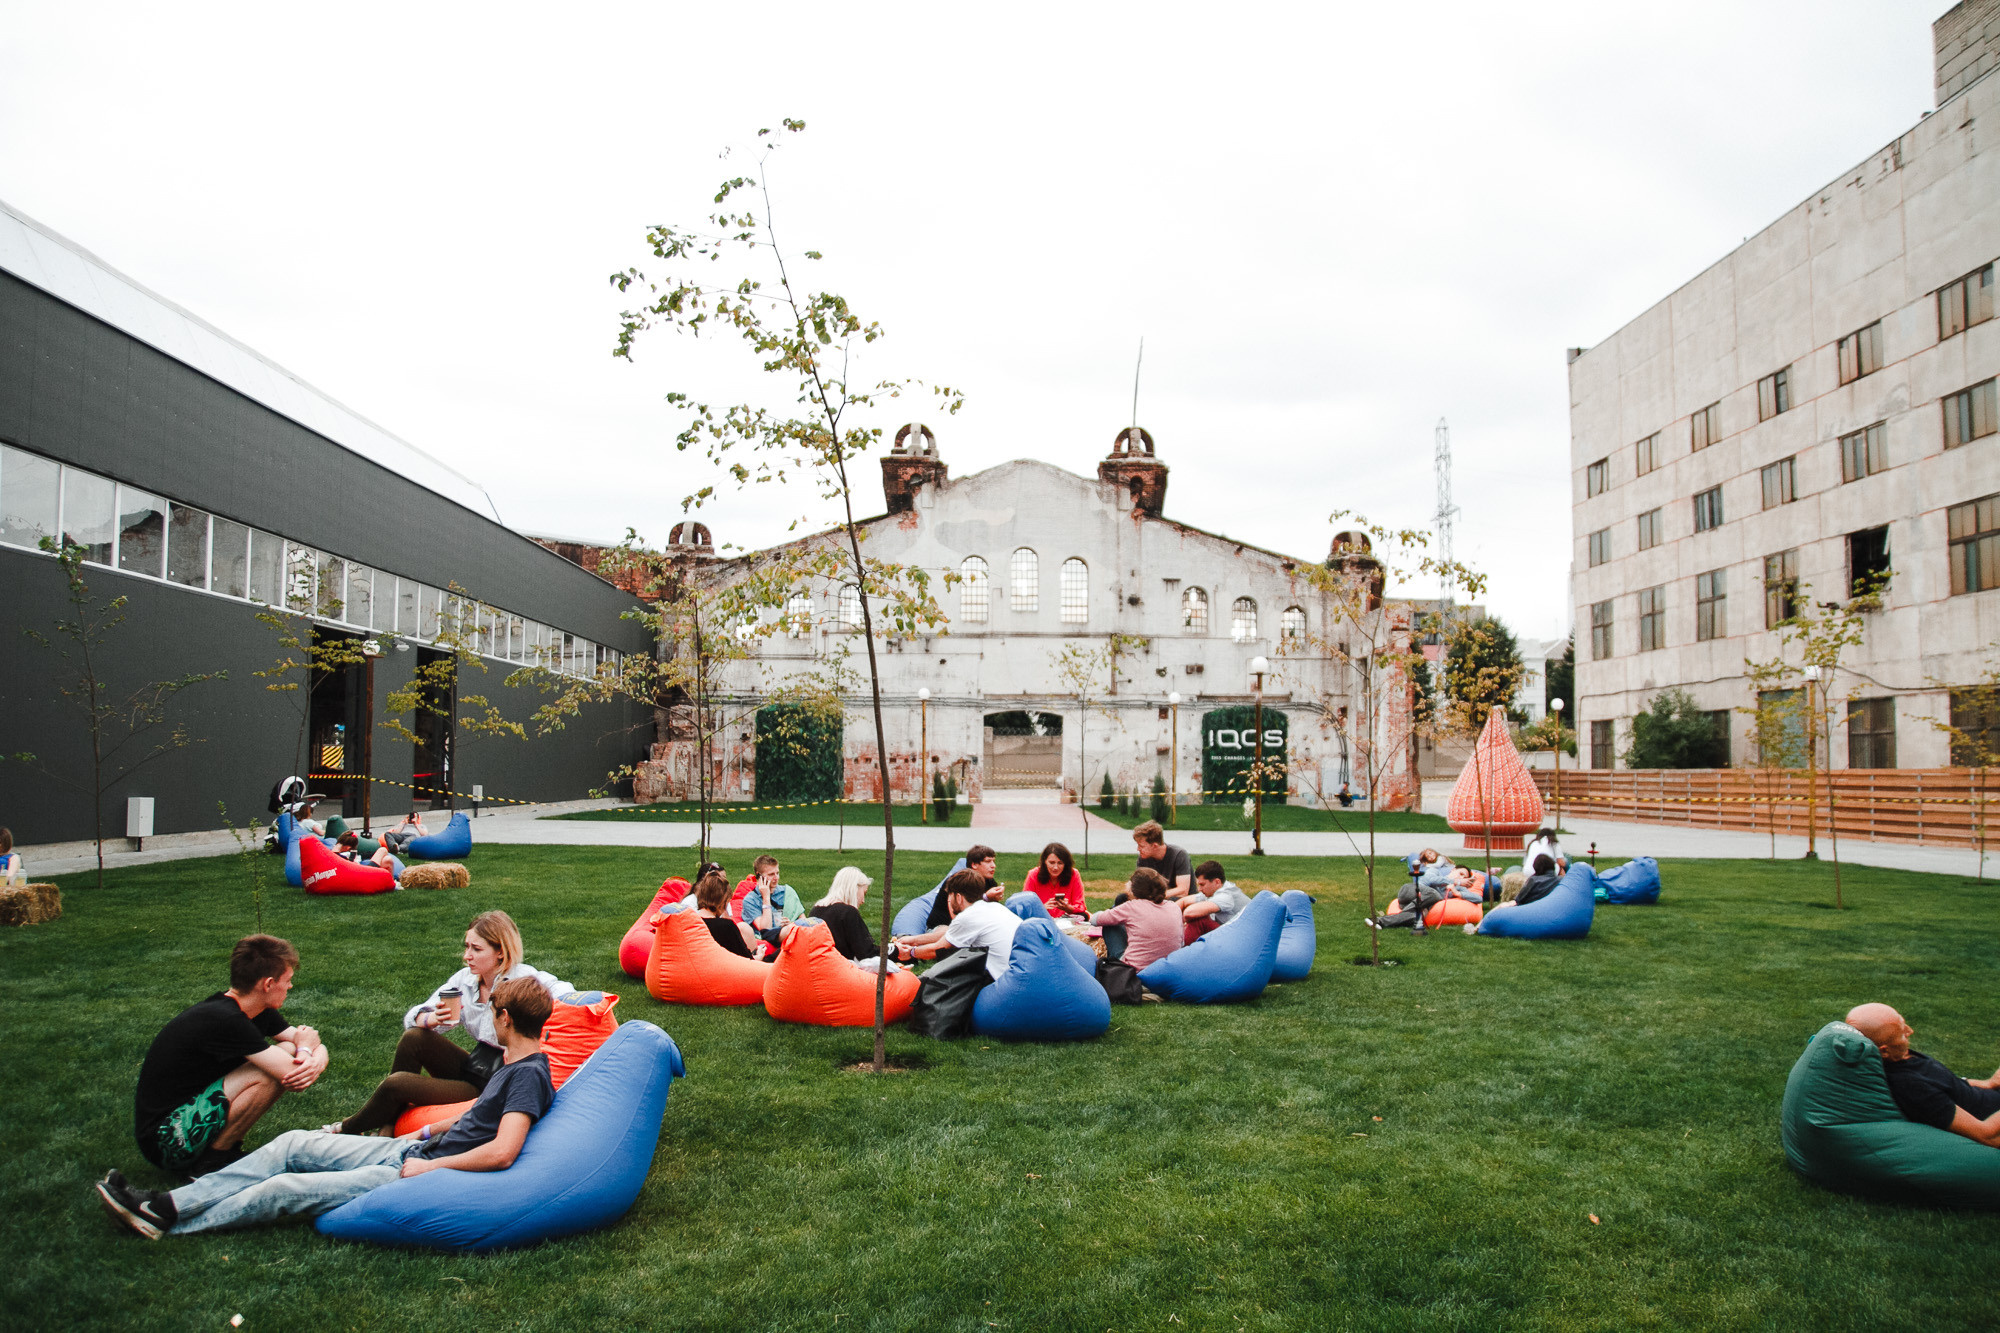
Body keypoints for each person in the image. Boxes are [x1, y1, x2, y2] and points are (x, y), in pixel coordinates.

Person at [96, 979, 555, 1239]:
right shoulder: (515, 1065)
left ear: (506, 1020)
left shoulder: (529, 1075)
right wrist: (422, 1134)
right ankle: (167, 1205)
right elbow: (478, 1116)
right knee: (291, 1145)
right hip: (412, 1152)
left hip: (419, 1171)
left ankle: (163, 1217)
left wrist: (431, 1167)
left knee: (286, 1187)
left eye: (494, 1012)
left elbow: (503, 1151)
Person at [322, 910, 572, 1136]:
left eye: (476, 949)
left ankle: (345, 1129)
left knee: (396, 1084)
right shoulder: (465, 980)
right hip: (475, 1065)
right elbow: (415, 1015)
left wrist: (574, 1000)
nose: (467, 956)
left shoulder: (522, 978)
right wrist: (429, 1019)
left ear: (500, 952)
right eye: (467, 947)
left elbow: (561, 989)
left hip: (493, 1081)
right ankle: (388, 1126)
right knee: (414, 1038)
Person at [129, 935, 328, 1180]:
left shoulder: (254, 1010)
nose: (290, 987)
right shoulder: (225, 1019)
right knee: (271, 1069)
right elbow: (292, 1072)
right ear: (267, 984)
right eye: (287, 981)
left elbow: (304, 1041)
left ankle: (222, 1152)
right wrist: (308, 1052)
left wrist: (312, 1054)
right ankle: (211, 1162)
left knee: (286, 1050)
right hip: (168, 1139)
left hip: (188, 1119)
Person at [1846, 1003, 2000, 1147]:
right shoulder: (1912, 1088)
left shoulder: (1901, 1056)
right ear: (1884, 1051)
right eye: (1902, 1034)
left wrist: (1988, 1083)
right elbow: (1986, 1135)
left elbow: (1946, 1084)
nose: (1910, 1031)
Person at [894, 868, 1020, 980]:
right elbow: (949, 937)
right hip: (1025, 973)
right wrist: (912, 940)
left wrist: (910, 952)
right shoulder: (995, 907)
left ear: (958, 897)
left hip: (1006, 983)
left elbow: (937, 949)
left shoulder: (967, 916)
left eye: (950, 896)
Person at [1090, 867, 1183, 969]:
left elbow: (1094, 920)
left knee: (1110, 926)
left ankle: (1114, 968)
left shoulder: (1132, 907)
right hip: (1168, 968)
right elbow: (1181, 942)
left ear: (1133, 888)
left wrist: (1106, 913)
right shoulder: (1174, 906)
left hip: (1134, 970)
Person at [811, 867, 883, 962]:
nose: (863, 901)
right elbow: (866, 953)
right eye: (864, 893)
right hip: (840, 970)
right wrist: (895, 951)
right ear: (854, 888)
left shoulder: (816, 910)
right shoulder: (848, 913)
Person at [738, 855, 809, 952]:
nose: (776, 878)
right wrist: (766, 897)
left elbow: (804, 921)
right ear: (759, 876)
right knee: (791, 931)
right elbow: (765, 928)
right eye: (771, 874)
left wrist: (790, 923)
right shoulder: (750, 900)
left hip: (790, 931)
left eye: (777, 873)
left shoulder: (787, 892)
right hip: (768, 937)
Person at [926, 845, 1004, 929]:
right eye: (988, 861)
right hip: (942, 927)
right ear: (974, 864)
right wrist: (986, 897)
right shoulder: (959, 881)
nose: (993, 865)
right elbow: (961, 915)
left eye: (993, 861)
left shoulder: (990, 882)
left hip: (966, 929)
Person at [1181, 859, 1251, 945]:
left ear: (1217, 882)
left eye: (1202, 884)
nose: (1199, 889)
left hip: (1242, 940)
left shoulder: (1226, 896)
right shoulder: (1213, 891)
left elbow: (1189, 913)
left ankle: (1181, 952)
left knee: (1200, 920)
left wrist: (1179, 920)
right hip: (1234, 933)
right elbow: (1184, 901)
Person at [693, 870, 759, 958]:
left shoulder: (690, 922)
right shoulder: (726, 926)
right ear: (722, 901)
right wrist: (757, 956)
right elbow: (746, 960)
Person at [1132, 821, 1193, 898]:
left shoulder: (1179, 855)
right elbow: (1139, 885)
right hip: (1157, 898)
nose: (1138, 849)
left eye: (1141, 846)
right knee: (1122, 898)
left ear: (1155, 846)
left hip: (1180, 900)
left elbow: (1183, 890)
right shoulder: (1144, 858)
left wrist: (1153, 897)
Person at [1025, 843, 1084, 916]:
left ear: (1065, 864)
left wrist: (1068, 908)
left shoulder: (1074, 874)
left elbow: (1081, 906)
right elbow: (1025, 907)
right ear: (1045, 862)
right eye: (1051, 863)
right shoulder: (1033, 875)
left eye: (1060, 863)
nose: (1055, 867)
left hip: (1067, 921)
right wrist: (1041, 908)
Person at [334, 830, 402, 878]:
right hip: (363, 874)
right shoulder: (337, 857)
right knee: (382, 850)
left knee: (388, 860)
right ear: (348, 847)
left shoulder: (337, 852)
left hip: (361, 870)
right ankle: (391, 882)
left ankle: (390, 883)